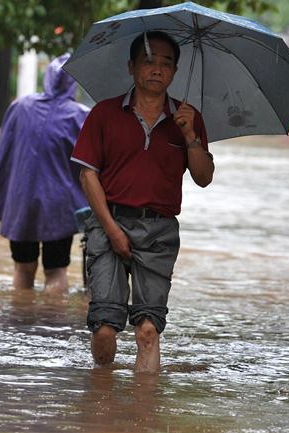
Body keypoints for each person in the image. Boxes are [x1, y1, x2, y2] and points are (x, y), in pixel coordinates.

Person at [70, 31, 215, 372]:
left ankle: (142, 416)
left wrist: (190, 136)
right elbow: (87, 176)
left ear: (175, 72)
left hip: (159, 231)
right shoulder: (105, 113)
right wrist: (112, 230)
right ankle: (102, 404)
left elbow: (204, 177)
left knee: (148, 330)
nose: (156, 70)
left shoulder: (188, 119)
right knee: (105, 327)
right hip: (108, 225)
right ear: (132, 67)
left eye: (166, 64)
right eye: (149, 61)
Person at [0, 54, 90, 294]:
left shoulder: (20, 107)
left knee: (22, 268)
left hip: (20, 203)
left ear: (47, 78)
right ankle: (48, 326)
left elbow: (5, 156)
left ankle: (21, 318)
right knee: (56, 271)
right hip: (59, 208)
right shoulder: (80, 115)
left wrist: (3, 198)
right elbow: (89, 167)